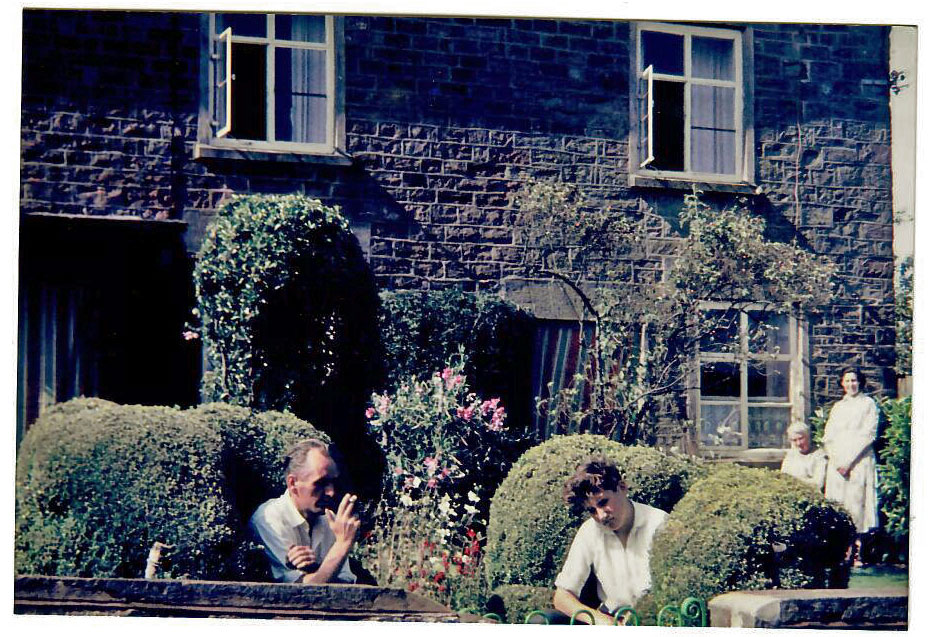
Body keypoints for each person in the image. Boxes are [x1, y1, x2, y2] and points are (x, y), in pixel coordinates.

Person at [551, 456, 669, 625]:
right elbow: (562, 597)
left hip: (655, 620)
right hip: (610, 620)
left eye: (603, 502)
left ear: (622, 487)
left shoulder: (659, 523)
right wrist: (601, 621)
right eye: (592, 510)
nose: (601, 516)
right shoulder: (589, 531)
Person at [249, 439, 360, 584]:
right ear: (293, 483)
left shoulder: (329, 521)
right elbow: (302, 593)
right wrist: (342, 544)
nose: (331, 492)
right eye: (320, 483)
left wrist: (314, 569)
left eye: (333, 482)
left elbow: (345, 583)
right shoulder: (269, 519)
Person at [821, 367, 879, 566]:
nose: (850, 384)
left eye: (854, 380)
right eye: (847, 381)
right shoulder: (838, 407)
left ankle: (857, 553)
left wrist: (848, 462)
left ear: (860, 382)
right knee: (840, 504)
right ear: (842, 384)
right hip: (838, 465)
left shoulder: (868, 404)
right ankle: (841, 551)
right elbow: (828, 436)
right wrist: (837, 461)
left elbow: (868, 435)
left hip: (858, 462)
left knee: (857, 504)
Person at [780, 421, 827, 492]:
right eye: (794, 440)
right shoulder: (791, 455)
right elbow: (783, 478)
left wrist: (795, 480)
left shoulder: (819, 455)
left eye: (801, 438)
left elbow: (818, 484)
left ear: (808, 437)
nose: (798, 443)